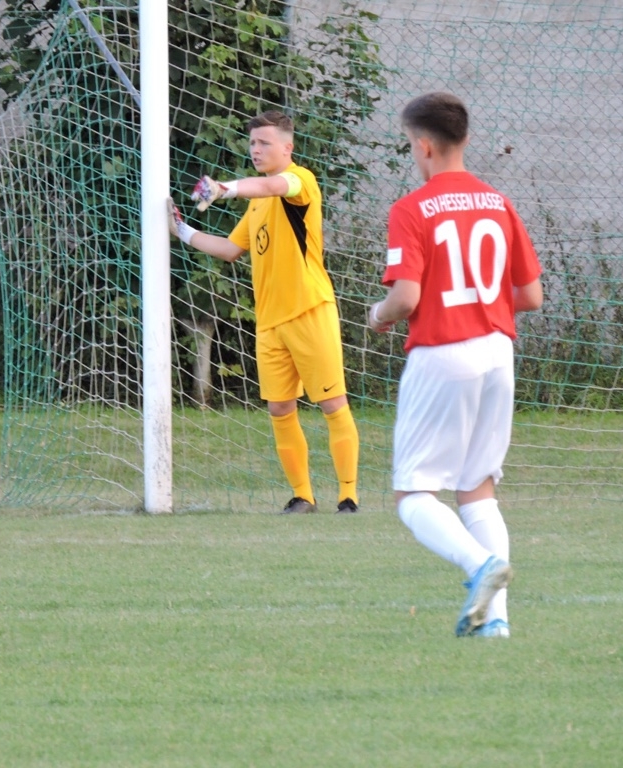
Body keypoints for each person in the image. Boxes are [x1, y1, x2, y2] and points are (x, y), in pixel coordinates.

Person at [367, 92, 543, 638]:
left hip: (443, 354)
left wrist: (378, 315)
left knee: (414, 494)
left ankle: (479, 565)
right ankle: (497, 622)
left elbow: (406, 298)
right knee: (477, 490)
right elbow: (531, 295)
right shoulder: (498, 202)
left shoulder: (412, 208)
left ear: (423, 146)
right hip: (497, 353)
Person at [167, 110, 360, 515]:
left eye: (265, 143)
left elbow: (274, 184)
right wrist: (181, 231)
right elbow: (230, 250)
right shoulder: (257, 204)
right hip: (270, 321)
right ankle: (303, 496)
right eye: (252, 143)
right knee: (279, 408)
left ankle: (349, 497)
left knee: (332, 403)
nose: (256, 149)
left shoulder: (299, 181)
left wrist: (225, 188)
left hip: (310, 310)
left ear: (288, 147)